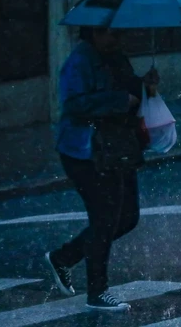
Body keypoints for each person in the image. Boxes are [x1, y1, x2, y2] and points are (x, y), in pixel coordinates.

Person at [44, 26, 159, 311]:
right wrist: (119, 101)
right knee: (105, 219)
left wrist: (145, 85)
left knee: (128, 217)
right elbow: (74, 105)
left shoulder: (116, 57)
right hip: (85, 152)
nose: (116, 39)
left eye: (119, 33)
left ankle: (63, 257)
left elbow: (128, 88)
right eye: (109, 33)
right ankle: (97, 291)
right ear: (92, 33)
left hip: (117, 148)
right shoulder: (79, 62)